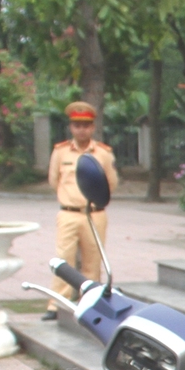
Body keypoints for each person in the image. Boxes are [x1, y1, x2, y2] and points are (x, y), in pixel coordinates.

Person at [43, 101, 118, 316]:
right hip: (68, 213)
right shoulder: (60, 151)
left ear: (93, 127)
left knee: (92, 262)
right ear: (71, 127)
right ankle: (57, 304)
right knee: (63, 260)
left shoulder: (103, 153)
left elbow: (110, 183)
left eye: (86, 125)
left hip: (95, 214)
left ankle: (90, 306)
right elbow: (53, 180)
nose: (81, 129)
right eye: (77, 125)